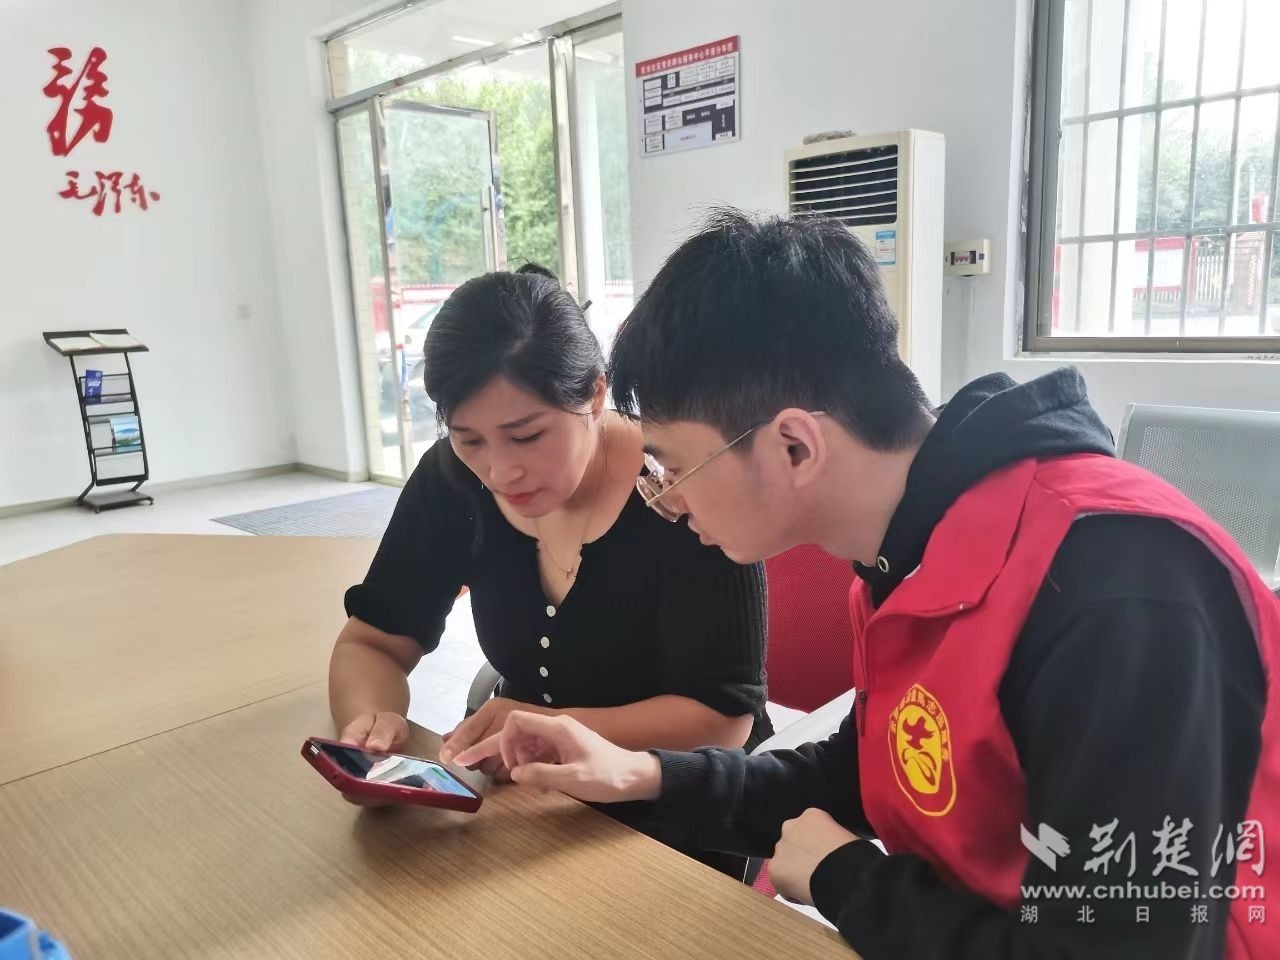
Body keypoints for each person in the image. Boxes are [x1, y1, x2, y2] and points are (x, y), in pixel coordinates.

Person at [454, 211, 1279, 959]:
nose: (666, 502)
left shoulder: (1113, 590)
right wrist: (643, 773)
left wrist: (847, 879)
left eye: (674, 470)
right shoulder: (914, 552)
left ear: (795, 446)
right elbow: (865, 771)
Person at [329, 264, 771, 871]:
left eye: (527, 435)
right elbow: (373, 642)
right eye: (469, 439)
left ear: (595, 394)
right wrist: (369, 729)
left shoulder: (678, 487)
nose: (500, 471)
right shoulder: (453, 483)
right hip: (527, 796)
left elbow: (720, 720)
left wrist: (549, 723)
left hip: (671, 800)